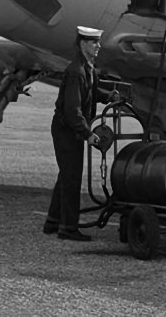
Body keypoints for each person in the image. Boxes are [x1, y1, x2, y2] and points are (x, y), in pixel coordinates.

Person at [43, 26, 103, 241]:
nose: (98, 46)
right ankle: (68, 228)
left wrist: (110, 95)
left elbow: (90, 89)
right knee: (72, 178)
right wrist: (87, 134)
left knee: (66, 174)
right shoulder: (76, 71)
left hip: (70, 128)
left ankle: (52, 221)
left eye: (98, 42)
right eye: (94, 42)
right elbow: (72, 110)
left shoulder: (86, 68)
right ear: (82, 44)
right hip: (67, 130)